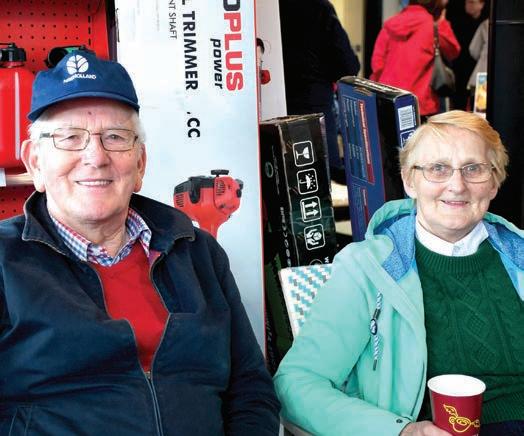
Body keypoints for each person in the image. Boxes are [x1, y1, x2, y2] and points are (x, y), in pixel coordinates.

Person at [0, 50, 280, 435]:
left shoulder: (198, 253)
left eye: (115, 137)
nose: (95, 156)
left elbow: (250, 389)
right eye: (70, 138)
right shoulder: (5, 262)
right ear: (35, 163)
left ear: (140, 164)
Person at [274, 110, 524, 435]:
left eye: (473, 169)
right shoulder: (367, 269)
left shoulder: (518, 257)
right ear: (409, 181)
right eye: (437, 168)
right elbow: (297, 384)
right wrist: (400, 431)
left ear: (494, 183)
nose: (456, 185)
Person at [279, 0, 360, 183]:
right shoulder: (320, 8)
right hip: (315, 110)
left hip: (274, 110)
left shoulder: (267, 8)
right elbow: (347, 66)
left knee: (282, 179)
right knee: (318, 180)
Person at [370, 0, 460, 118]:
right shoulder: (432, 25)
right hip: (420, 103)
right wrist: (442, 22)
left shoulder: (390, 24)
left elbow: (378, 63)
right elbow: (453, 51)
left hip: (389, 99)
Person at [447, 0, 488, 110]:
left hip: (479, 70)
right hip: (461, 65)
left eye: (472, 2)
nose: (468, 5)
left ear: (482, 4)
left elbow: (473, 50)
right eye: (466, 2)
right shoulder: (458, 21)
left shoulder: (485, 24)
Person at [467, 18, 489, 92]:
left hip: (484, 73)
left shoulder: (486, 24)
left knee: (482, 99)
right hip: (507, 77)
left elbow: (473, 50)